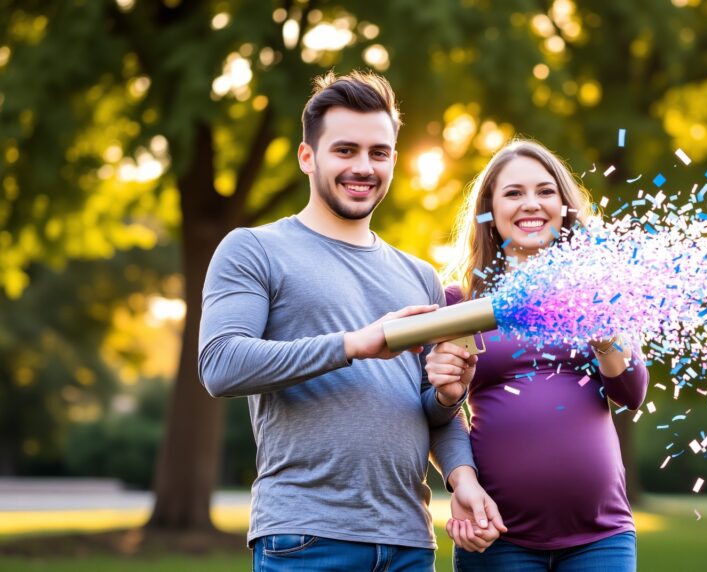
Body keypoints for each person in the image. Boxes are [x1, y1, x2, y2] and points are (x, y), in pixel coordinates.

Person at [199, 70, 504, 571]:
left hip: (409, 541)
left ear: (394, 161)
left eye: (378, 153)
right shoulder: (253, 249)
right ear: (307, 156)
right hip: (307, 537)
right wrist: (356, 343)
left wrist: (454, 421)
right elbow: (221, 364)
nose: (363, 167)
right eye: (345, 150)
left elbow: (431, 413)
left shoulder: (420, 276)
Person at [426, 140, 649, 571]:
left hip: (601, 536)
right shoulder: (461, 302)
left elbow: (632, 393)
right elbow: (440, 409)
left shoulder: (597, 288)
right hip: (497, 534)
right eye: (514, 193)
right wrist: (462, 483)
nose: (532, 203)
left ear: (564, 206)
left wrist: (604, 332)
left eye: (545, 191)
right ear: (489, 210)